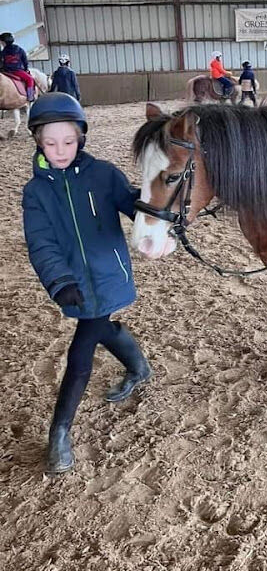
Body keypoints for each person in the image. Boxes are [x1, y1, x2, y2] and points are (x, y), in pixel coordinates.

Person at [22, 93, 151, 475]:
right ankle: (139, 367)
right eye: (50, 143)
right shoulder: (36, 192)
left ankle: (59, 431)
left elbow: (134, 205)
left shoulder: (103, 174)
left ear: (81, 139)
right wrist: (59, 281)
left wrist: (160, 208)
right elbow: (41, 242)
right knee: (100, 328)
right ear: (39, 143)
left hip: (110, 276)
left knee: (81, 352)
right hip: (74, 284)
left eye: (68, 141)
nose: (60, 150)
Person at [0, 31, 36, 102]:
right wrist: (26, 69)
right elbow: (25, 61)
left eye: (1, 42)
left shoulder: (3, 52)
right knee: (30, 79)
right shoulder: (20, 50)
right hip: (16, 71)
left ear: (4, 42)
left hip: (5, 71)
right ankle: (30, 96)